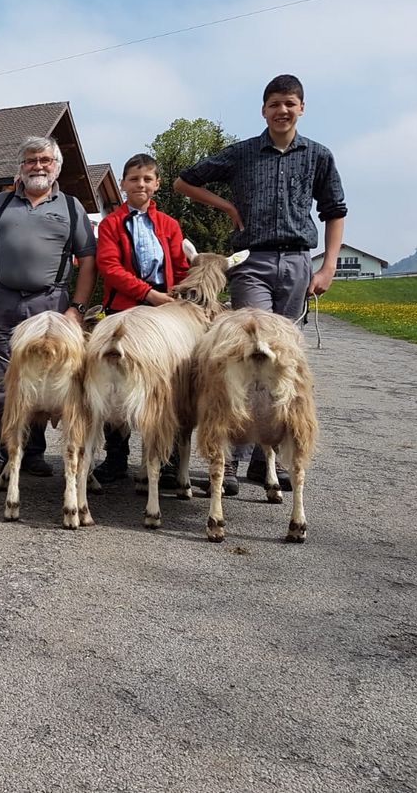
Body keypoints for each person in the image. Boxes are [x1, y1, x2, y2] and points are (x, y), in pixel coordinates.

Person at [173, 73, 346, 494]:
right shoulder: (243, 153)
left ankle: (264, 460)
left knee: (281, 360)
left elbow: (334, 210)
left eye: (289, 103)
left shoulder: (318, 156)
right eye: (274, 104)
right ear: (263, 110)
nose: (282, 111)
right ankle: (230, 457)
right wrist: (227, 206)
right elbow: (183, 181)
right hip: (252, 261)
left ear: (301, 108)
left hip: (298, 263)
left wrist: (327, 267)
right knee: (247, 350)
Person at [0, 135, 98, 482]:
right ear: (20, 167)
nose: (37, 166)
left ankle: (33, 453)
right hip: (1, 301)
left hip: (50, 304)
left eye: (45, 160)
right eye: (30, 160)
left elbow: (88, 260)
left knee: (42, 379)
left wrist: (77, 308)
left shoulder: (71, 206)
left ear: (57, 167)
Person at [91, 153, 191, 484]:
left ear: (157, 184)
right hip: (124, 310)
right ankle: (116, 457)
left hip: (164, 313)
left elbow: (180, 266)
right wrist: (146, 293)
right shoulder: (110, 224)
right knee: (115, 379)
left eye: (148, 179)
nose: (141, 184)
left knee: (167, 382)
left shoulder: (169, 225)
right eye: (134, 179)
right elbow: (110, 267)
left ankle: (166, 457)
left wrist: (178, 296)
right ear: (123, 184)